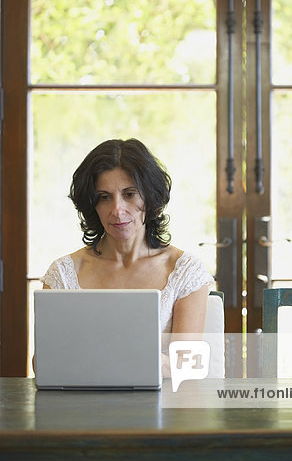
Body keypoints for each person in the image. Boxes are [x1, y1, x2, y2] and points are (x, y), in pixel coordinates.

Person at [41, 138, 215, 375]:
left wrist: (110, 356)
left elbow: (188, 365)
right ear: (92, 204)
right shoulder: (63, 273)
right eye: (104, 197)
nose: (117, 210)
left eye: (129, 194)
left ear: (149, 197)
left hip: (161, 408)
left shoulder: (185, 270)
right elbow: (42, 363)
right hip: (81, 406)